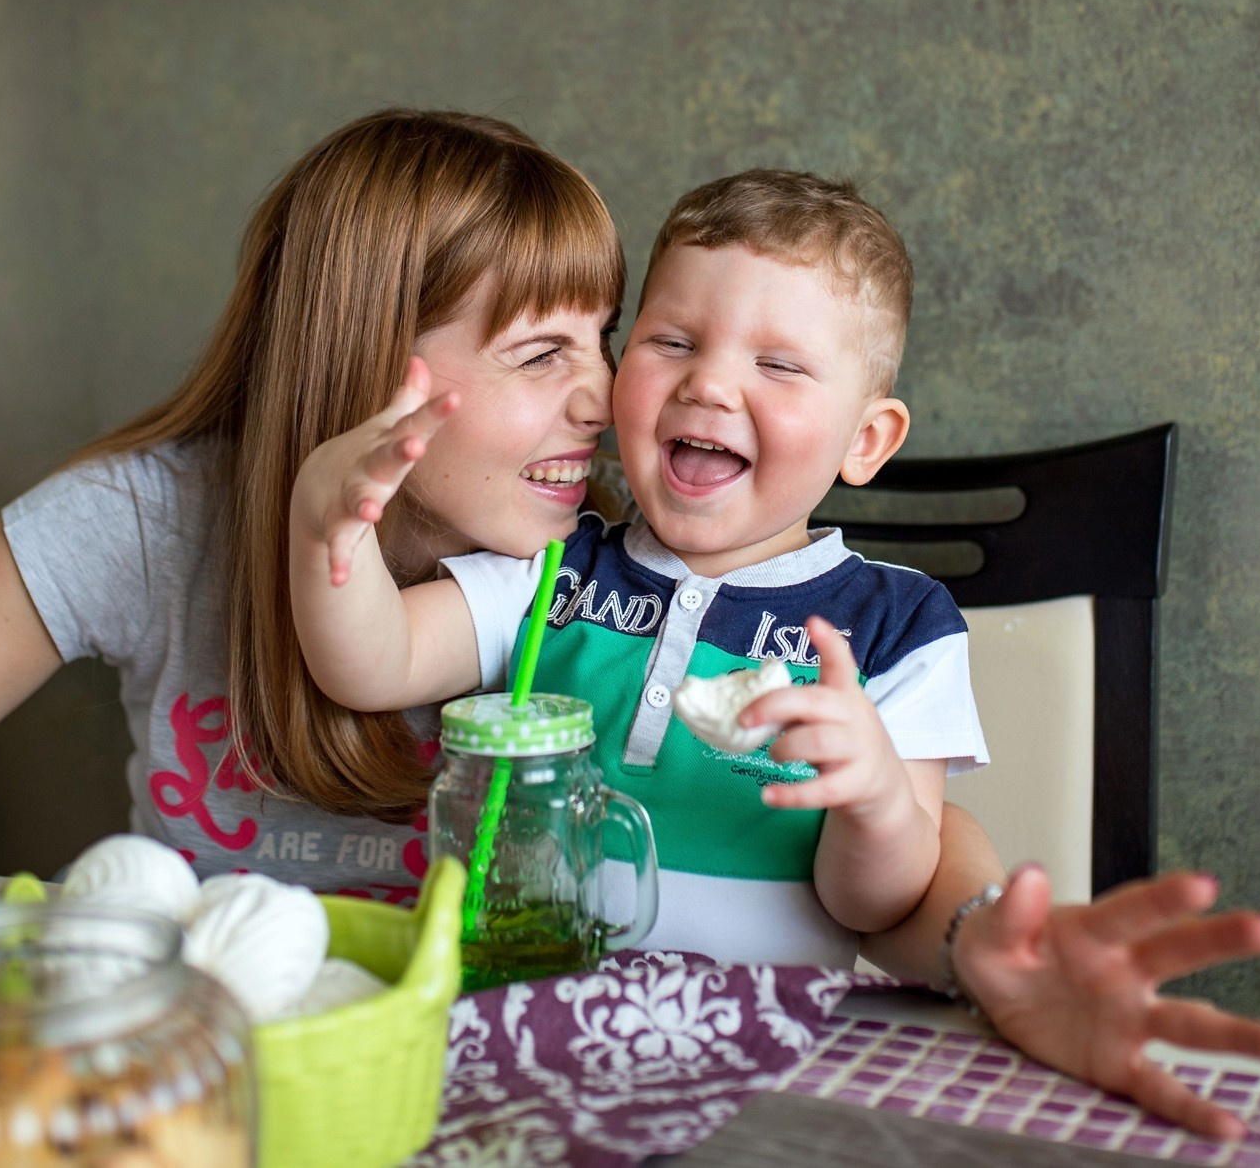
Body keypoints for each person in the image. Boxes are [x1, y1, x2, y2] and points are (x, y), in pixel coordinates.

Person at [0, 109, 1260, 1140]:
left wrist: (987, 944)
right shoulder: (152, 525)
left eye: (606, 339)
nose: (611, 401)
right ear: (369, 362)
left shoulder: (589, 557)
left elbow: (895, 853)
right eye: (550, 354)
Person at [294, 169, 986, 967]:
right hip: (539, 997)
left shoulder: (901, 627)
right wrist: (325, 526)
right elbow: (374, 664)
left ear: (866, 440)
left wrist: (874, 797)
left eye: (779, 365)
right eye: (673, 343)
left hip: (762, 1024)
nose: (709, 383)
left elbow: (875, 905)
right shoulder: (552, 574)